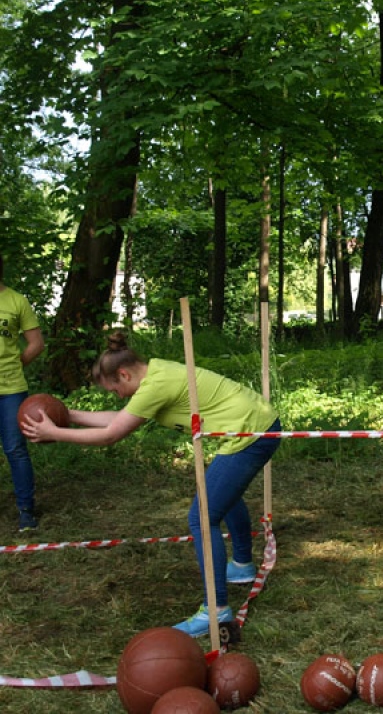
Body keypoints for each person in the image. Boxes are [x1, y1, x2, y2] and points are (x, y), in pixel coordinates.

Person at [20, 331, 280, 637]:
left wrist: (55, 433)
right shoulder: (156, 373)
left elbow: (111, 434)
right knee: (221, 494)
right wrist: (66, 415)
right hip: (256, 424)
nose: (119, 396)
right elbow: (120, 418)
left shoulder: (157, 384)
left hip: (251, 432)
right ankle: (241, 566)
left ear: (124, 374)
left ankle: (216, 610)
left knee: (202, 517)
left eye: (115, 389)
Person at [0, 254, 45, 532]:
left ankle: (26, 510)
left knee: (15, 449)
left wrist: (17, 364)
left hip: (10, 390)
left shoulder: (17, 301)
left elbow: (36, 343)